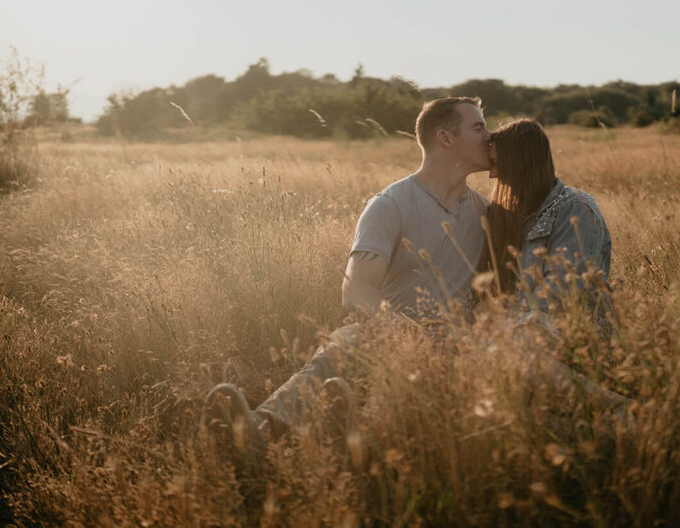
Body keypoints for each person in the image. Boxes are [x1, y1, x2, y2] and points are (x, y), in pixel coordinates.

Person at [200, 96, 493, 478]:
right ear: (445, 138)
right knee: (351, 341)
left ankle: (353, 451)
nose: (490, 136)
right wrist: (406, 336)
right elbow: (357, 292)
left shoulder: (486, 213)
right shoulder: (390, 205)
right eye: (478, 127)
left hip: (458, 347)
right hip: (391, 333)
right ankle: (257, 434)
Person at [480, 117, 613, 318]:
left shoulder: (575, 209)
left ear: (520, 162)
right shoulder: (504, 214)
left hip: (573, 335)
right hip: (522, 335)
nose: (491, 175)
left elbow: (560, 294)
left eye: (496, 163)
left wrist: (507, 334)